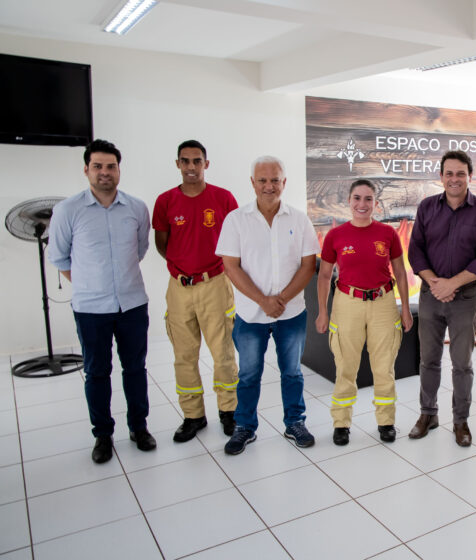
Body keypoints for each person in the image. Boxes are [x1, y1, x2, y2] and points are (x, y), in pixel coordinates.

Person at [47, 139, 156, 463]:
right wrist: (87, 284)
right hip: (90, 309)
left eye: (111, 166)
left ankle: (139, 427)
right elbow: (58, 257)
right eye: (98, 166)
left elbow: (139, 250)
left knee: (135, 368)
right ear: (86, 170)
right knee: (97, 372)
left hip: (132, 304)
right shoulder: (68, 210)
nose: (105, 172)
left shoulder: (136, 208)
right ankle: (103, 435)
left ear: (119, 170)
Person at [215, 155, 320, 454]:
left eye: (275, 180)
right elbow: (231, 267)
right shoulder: (236, 220)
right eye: (262, 180)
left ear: (284, 182)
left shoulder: (299, 219)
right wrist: (263, 301)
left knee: (292, 372)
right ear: (252, 183)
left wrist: (282, 300)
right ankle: (245, 427)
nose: (269, 186)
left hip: (291, 313)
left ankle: (294, 423)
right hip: (250, 314)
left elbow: (308, 264)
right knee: (248, 374)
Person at [408, 150, 476, 447]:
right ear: (441, 176)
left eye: (461, 173)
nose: (455, 179)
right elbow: (415, 251)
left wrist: (453, 285)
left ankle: (461, 421)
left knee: (463, 363)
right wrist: (436, 283)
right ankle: (428, 414)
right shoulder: (426, 208)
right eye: (449, 173)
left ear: (470, 176)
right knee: (428, 360)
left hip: (464, 299)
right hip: (431, 296)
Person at [152, 140, 239, 442]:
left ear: (206, 164)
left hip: (215, 283)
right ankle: (193, 416)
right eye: (185, 161)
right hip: (179, 288)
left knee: (223, 353)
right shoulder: (165, 202)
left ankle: (229, 412)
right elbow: (162, 244)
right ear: (177, 164)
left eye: (197, 161)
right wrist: (182, 267)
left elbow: (234, 240)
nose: (191, 167)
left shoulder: (223, 198)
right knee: (183, 355)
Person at [315, 179, 414, 445]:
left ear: (375, 203)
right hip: (347, 303)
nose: (362, 204)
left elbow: (401, 274)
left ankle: (386, 421)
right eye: (357, 198)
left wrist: (405, 309)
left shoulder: (388, 233)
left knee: (384, 368)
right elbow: (324, 276)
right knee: (346, 367)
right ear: (349, 201)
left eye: (368, 199)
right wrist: (322, 312)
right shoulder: (335, 236)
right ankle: (341, 423)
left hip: (383, 302)